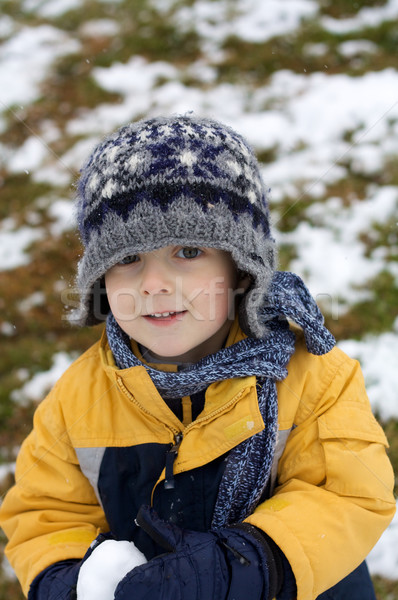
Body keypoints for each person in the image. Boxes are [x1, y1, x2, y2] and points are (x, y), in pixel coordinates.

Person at [0, 115, 395, 600]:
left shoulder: (311, 375)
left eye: (187, 251)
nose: (154, 284)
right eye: (127, 259)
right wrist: (69, 584)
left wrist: (239, 569)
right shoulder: (77, 401)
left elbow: (348, 494)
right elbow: (45, 516)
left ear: (241, 269)